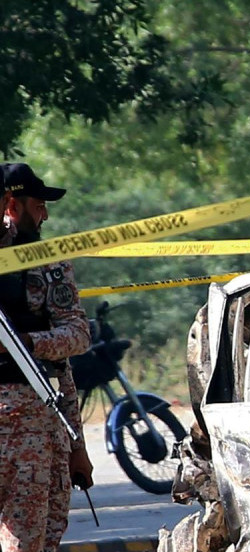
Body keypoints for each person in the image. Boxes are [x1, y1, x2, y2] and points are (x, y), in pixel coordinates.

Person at [0, 162, 93, 552]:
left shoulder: (49, 262)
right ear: (11, 205)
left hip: (30, 421)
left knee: (27, 544)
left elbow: (75, 339)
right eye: (38, 205)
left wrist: (76, 444)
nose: (46, 215)